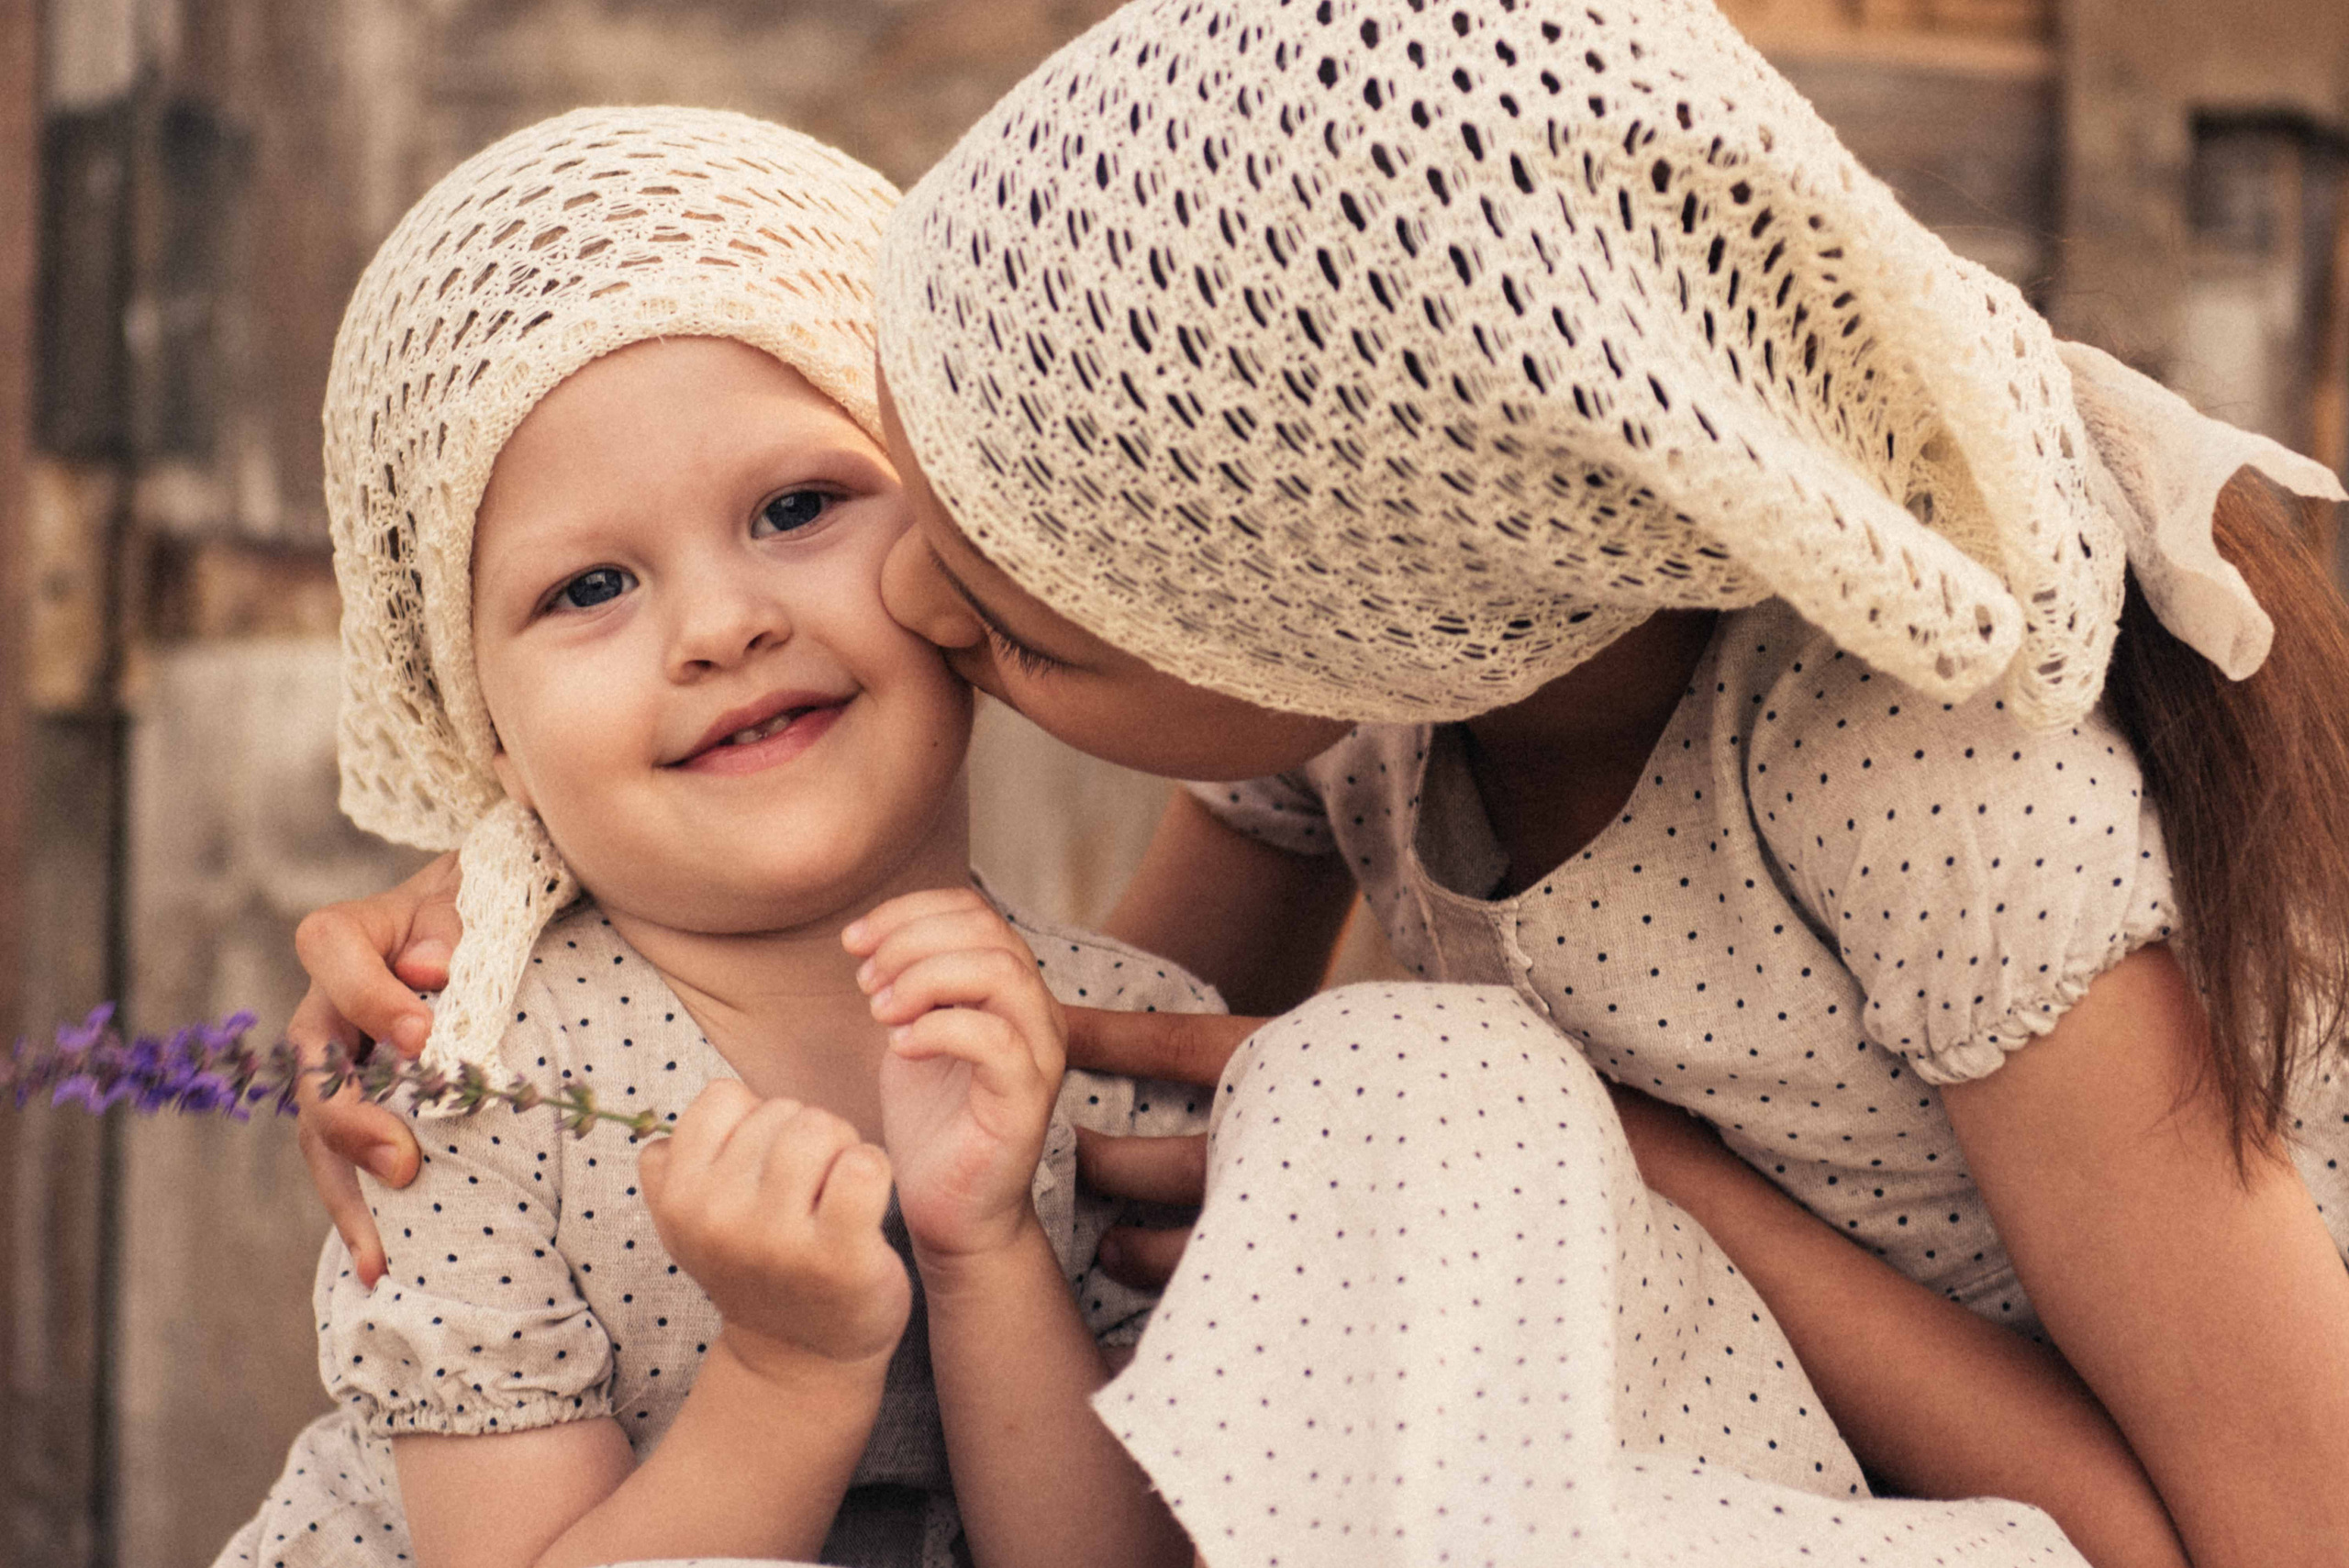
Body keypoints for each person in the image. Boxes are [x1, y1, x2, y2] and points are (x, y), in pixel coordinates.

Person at [288, 1, 2349, 1563]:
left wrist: (1642, 1169)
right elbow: (1092, 1121)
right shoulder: (1376, 707)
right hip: (1691, 1430)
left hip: (2079, 1509)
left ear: (1303, 629)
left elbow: (2277, 1534)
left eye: (1013, 626)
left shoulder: (1931, 797)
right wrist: (515, 912)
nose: (892, 597)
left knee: (1391, 1088)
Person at [213, 106, 1216, 1568]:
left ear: (955, 536)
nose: (721, 626)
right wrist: (789, 1370)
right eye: (591, 586)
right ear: (488, 729)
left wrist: (985, 1250)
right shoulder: (475, 1093)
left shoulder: (1133, 1048)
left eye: (799, 506)